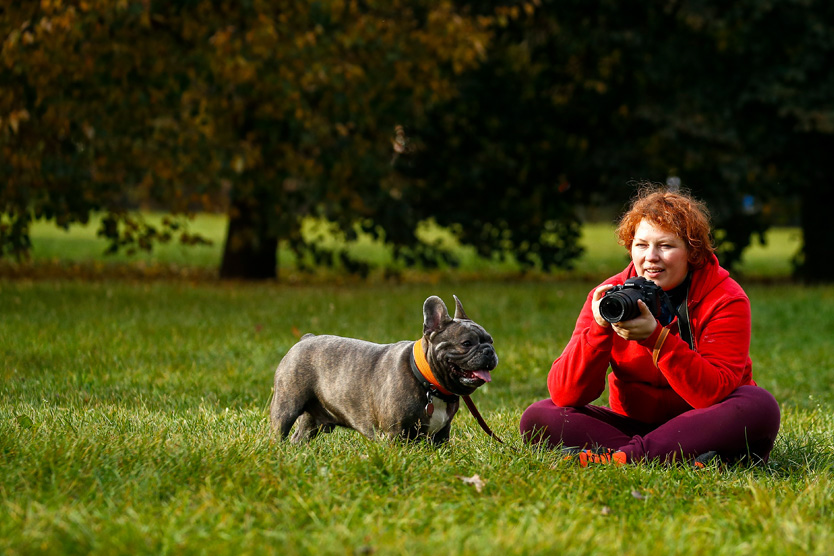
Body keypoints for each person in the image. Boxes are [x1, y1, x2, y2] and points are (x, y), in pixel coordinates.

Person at [519, 185, 781, 467]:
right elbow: (565, 393)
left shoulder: (725, 297)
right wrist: (598, 329)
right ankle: (671, 458)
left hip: (705, 424)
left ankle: (626, 457)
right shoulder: (609, 297)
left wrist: (657, 340)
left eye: (665, 245)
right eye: (641, 245)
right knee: (538, 416)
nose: (651, 257)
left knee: (759, 405)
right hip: (634, 425)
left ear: (692, 252)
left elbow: (712, 394)